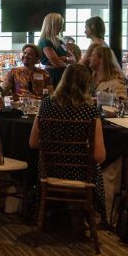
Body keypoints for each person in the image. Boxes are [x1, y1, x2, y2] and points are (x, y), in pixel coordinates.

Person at [28, 63, 106, 220]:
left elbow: (33, 143)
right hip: (80, 174)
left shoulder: (46, 104)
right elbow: (99, 156)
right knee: (98, 167)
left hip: (50, 170)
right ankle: (80, 212)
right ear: (86, 84)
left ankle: (59, 212)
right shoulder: (90, 110)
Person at [38, 13, 75, 88]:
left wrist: (64, 59)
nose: (61, 27)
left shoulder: (60, 41)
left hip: (63, 75)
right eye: (60, 24)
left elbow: (73, 59)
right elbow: (57, 64)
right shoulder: (45, 42)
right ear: (52, 25)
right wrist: (66, 61)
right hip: (53, 75)